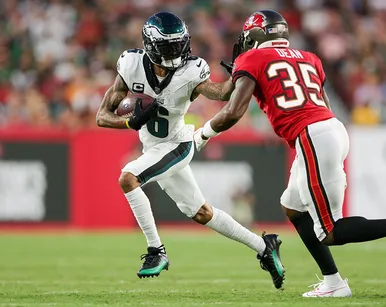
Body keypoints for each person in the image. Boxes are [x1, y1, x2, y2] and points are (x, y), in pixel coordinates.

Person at [194, 9, 386, 298]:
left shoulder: (251, 58)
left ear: (254, 36)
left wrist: (202, 135)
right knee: (293, 207)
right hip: (329, 129)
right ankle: (333, 282)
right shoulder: (309, 57)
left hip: (313, 136)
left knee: (330, 231)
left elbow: (232, 111)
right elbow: (322, 102)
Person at [95, 12, 285, 289]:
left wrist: (238, 71)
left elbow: (220, 93)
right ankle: (264, 246)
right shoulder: (131, 65)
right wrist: (129, 122)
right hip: (154, 147)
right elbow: (102, 116)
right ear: (151, 46)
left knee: (128, 177)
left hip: (178, 144)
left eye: (179, 44)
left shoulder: (191, 71)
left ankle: (155, 251)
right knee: (202, 213)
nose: (176, 51)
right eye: (168, 46)